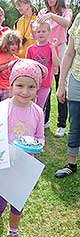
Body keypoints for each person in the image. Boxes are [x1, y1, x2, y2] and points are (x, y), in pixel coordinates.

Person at [0, 58, 47, 237]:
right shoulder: (2, 108)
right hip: (4, 164)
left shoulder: (37, 112)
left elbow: (40, 138)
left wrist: (37, 145)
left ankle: (13, 233)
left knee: (17, 205)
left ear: (37, 88)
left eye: (31, 87)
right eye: (19, 85)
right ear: (11, 85)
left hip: (24, 165)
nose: (25, 91)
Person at [37, 0, 72, 137]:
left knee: (61, 85)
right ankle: (44, 121)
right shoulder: (42, 12)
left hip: (61, 49)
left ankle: (61, 124)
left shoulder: (66, 11)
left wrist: (52, 16)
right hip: (45, 49)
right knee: (45, 86)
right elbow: (38, 28)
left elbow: (67, 23)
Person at [55, 13, 80, 178]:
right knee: (75, 124)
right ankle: (72, 164)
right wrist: (61, 83)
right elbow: (69, 53)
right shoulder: (79, 19)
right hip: (77, 78)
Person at [26, 21, 59, 109]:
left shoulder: (52, 47)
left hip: (45, 84)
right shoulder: (31, 49)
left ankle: (39, 122)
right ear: (35, 33)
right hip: (31, 83)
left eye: (43, 31)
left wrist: (52, 49)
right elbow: (27, 67)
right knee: (28, 105)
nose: (41, 33)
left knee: (39, 107)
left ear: (49, 32)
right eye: (38, 31)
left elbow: (56, 64)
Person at [0, 29, 20, 104]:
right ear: (6, 44)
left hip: (7, 88)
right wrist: (8, 64)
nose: (14, 47)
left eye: (16, 44)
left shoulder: (16, 59)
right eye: (11, 44)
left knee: (4, 110)